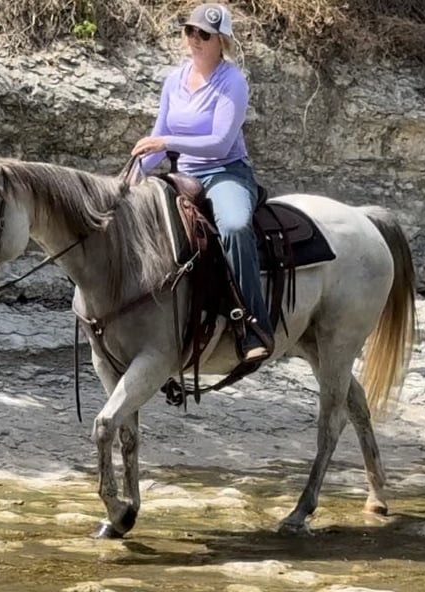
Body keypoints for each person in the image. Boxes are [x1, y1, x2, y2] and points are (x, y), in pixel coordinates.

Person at [131, 3, 273, 363]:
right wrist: (132, 175)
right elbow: (158, 135)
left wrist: (165, 143)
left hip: (225, 172)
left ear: (221, 41)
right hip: (183, 175)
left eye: (204, 34)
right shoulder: (174, 80)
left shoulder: (232, 82)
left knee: (235, 226)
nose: (194, 39)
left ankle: (253, 326)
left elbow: (220, 143)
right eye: (189, 31)